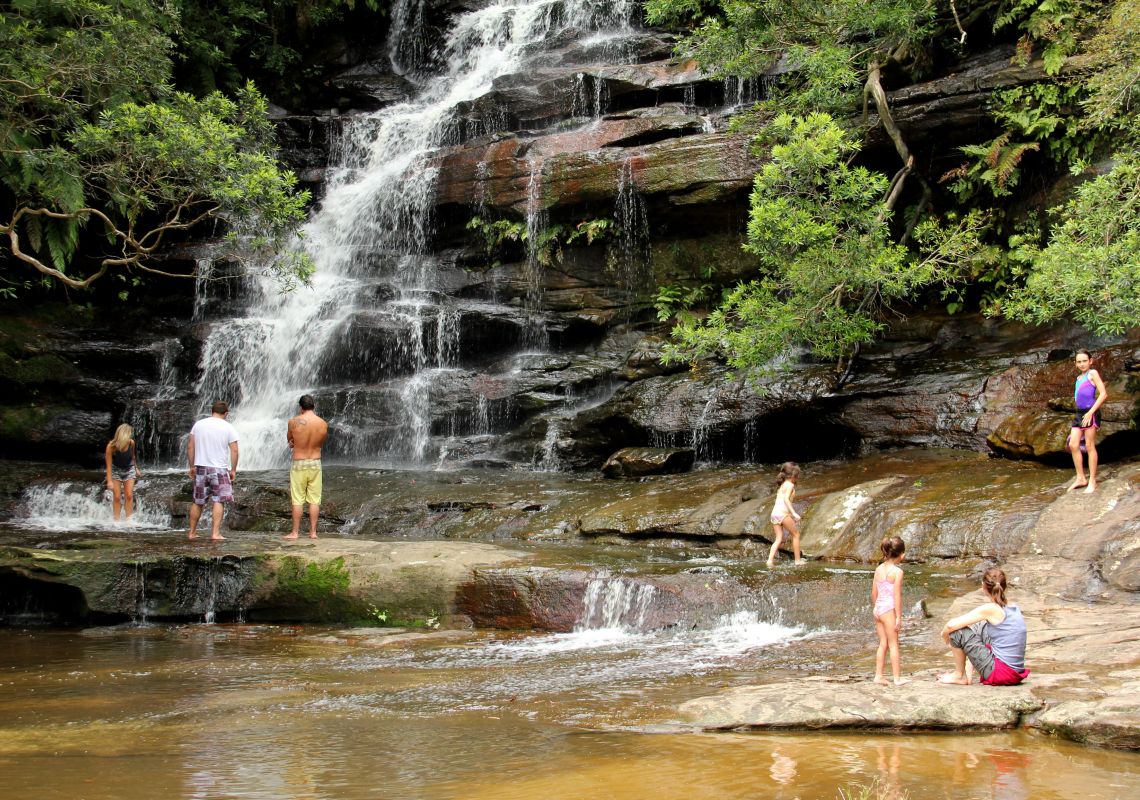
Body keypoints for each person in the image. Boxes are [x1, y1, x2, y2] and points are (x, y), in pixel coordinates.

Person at [938, 567, 1029, 686]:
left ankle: (959, 675)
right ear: (1005, 586)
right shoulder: (1014, 607)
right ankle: (967, 672)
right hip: (1015, 672)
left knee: (956, 632)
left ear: (983, 587)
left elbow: (950, 626)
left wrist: (945, 635)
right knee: (980, 626)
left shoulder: (990, 609)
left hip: (1001, 673)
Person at [187, 400, 239, 541]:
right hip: (219, 469)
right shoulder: (228, 427)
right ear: (226, 413)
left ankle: (192, 532)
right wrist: (233, 469)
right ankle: (215, 533)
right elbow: (234, 449)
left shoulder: (199, 425)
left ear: (212, 412)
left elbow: (190, 446)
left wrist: (192, 466)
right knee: (219, 500)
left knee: (198, 501)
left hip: (201, 467)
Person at [286, 394, 328, 540]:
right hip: (316, 463)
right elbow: (320, 443)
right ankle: (313, 533)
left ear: (301, 408)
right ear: (313, 406)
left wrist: (294, 442)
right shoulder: (323, 423)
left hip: (299, 462)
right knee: (314, 500)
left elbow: (290, 441)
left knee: (297, 499)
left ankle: (295, 533)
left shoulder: (293, 422)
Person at [1068, 349, 1107, 493]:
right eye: (1079, 362)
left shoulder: (1093, 374)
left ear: (1090, 361)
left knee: (1090, 445)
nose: (1082, 364)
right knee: (1073, 444)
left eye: (1084, 361)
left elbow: (1103, 394)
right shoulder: (1078, 379)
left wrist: (1091, 413)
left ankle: (1092, 481)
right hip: (1080, 413)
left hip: (1091, 412)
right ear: (1075, 364)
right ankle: (1080, 478)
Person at [872, 536, 910, 685]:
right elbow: (896, 596)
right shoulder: (897, 572)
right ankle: (897, 678)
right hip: (888, 609)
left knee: (883, 643)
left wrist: (876, 607)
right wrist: (898, 617)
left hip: (878, 609)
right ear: (902, 555)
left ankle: (878, 675)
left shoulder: (878, 569)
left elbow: (874, 593)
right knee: (894, 644)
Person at [766, 461, 804, 567]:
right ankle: (797, 561)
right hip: (782, 514)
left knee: (779, 539)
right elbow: (786, 500)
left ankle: (769, 560)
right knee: (796, 535)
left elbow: (781, 502)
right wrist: (794, 513)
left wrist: (790, 514)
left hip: (774, 514)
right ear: (793, 475)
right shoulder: (790, 485)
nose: (797, 478)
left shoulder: (782, 485)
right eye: (797, 476)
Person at [104, 423, 141, 521]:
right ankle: (116, 520)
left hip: (129, 469)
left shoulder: (131, 443)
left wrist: (136, 468)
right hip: (116, 471)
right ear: (123, 434)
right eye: (129, 434)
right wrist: (109, 481)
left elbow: (132, 456)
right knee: (117, 497)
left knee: (129, 495)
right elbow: (108, 466)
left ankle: (129, 520)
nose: (131, 436)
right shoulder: (111, 446)